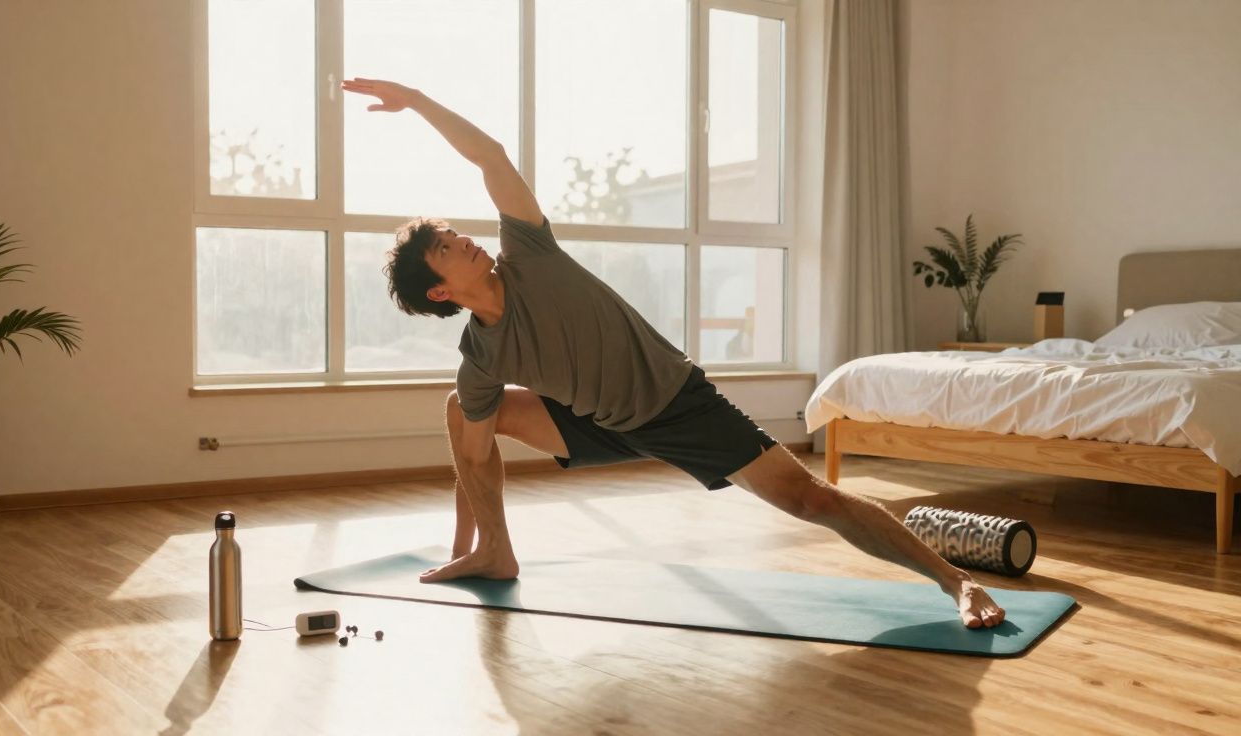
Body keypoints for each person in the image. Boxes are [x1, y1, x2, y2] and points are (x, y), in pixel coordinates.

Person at [342, 78, 1006, 629]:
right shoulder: (481, 356)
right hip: (600, 424)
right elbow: (474, 452)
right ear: (440, 288)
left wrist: (419, 101)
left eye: (457, 233)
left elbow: (490, 158)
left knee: (811, 500)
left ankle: (954, 582)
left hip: (677, 403)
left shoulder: (529, 254)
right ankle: (494, 554)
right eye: (446, 248)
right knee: (465, 412)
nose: (463, 241)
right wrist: (472, 536)